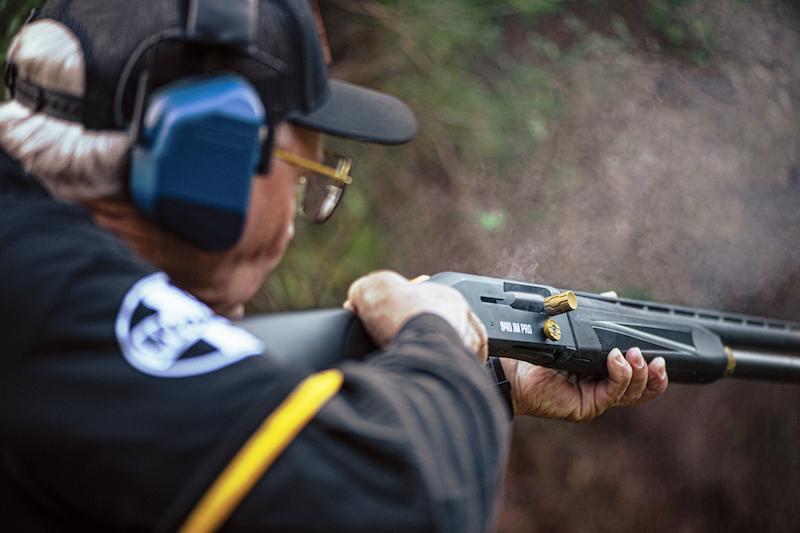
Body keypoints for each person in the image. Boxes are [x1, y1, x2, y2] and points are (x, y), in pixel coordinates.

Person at [0, 1, 668, 531]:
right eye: (305, 172)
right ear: (208, 164)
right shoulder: (52, 297)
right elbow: (405, 501)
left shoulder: (35, 269)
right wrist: (439, 343)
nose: (298, 212)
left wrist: (485, 373)